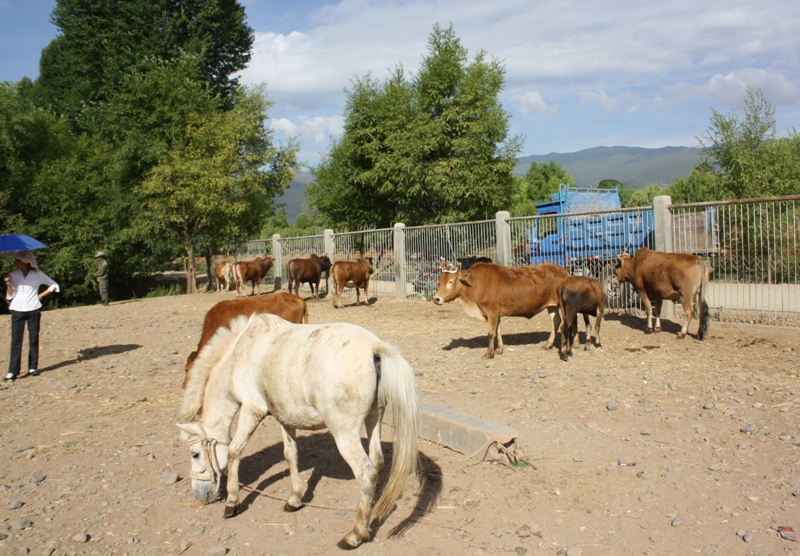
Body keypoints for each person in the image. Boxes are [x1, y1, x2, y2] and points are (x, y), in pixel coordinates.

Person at [4, 250, 59, 381]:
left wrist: (40, 296)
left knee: (33, 338)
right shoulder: (13, 275)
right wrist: (8, 283)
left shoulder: (38, 275)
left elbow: (54, 285)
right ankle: (12, 371)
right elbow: (10, 295)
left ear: (25, 261)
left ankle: (33, 367)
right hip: (17, 309)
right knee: (16, 341)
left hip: (33, 308)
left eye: (17, 259)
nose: (15, 262)